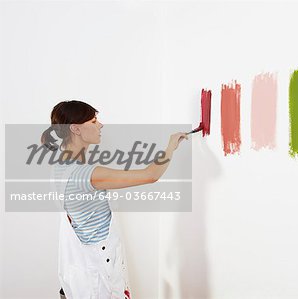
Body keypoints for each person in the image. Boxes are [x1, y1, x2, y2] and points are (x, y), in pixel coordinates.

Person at [41, 100, 188, 298]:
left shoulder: (61, 163)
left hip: (83, 271)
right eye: (93, 121)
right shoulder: (84, 174)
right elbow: (150, 175)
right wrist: (171, 146)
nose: (100, 125)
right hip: (97, 276)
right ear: (75, 128)